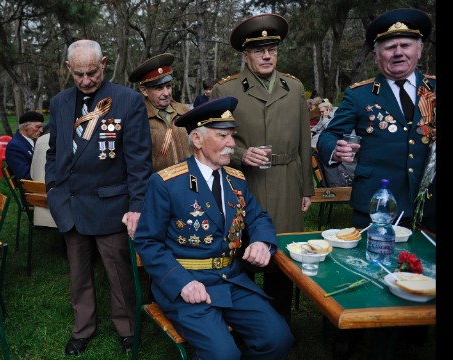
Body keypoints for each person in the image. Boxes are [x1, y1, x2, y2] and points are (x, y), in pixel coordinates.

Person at [133, 96, 294, 360]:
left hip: (231, 279)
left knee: (279, 338)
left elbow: (258, 217)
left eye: (232, 135)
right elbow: (148, 242)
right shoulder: (166, 183)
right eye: (222, 136)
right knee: (224, 354)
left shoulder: (236, 180)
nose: (232, 144)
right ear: (197, 140)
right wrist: (181, 282)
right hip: (188, 284)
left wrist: (262, 242)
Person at [45, 39, 153, 356]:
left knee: (118, 273)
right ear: (68, 69)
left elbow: (138, 163)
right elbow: (54, 152)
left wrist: (136, 208)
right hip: (71, 204)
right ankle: (82, 328)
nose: (86, 80)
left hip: (111, 204)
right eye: (78, 74)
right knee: (78, 274)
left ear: (104, 63)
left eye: (92, 72)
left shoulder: (128, 101)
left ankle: (127, 327)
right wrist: (53, 187)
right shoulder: (60, 103)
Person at [210, 13, 314, 323]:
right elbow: (213, 140)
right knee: (243, 255)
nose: (267, 55)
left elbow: (304, 141)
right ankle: (244, 324)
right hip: (244, 184)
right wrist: (241, 154)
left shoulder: (294, 88)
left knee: (282, 256)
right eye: (258, 50)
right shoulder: (227, 91)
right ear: (246, 54)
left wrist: (306, 187)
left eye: (272, 48)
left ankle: (280, 322)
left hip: (286, 182)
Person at [317, 8, 436, 232]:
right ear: (376, 56)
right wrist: (336, 149)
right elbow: (329, 135)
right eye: (390, 48)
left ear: (419, 50)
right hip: (377, 204)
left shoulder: (434, 89)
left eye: (406, 45)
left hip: (431, 205)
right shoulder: (360, 95)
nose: (398, 53)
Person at [129, 53, 191, 172]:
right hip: (158, 185)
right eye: (159, 88)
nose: (166, 93)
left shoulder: (184, 112)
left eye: (168, 86)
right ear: (144, 91)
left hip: (188, 182)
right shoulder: (138, 118)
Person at [30, 124, 57, 228]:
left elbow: (32, 174)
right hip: (61, 210)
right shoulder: (70, 138)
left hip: (40, 204)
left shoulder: (40, 140)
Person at [5, 111, 45, 180]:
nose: (41, 130)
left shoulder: (31, 141)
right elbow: (25, 176)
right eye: (38, 127)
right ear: (26, 126)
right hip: (36, 187)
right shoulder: (14, 147)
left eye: (41, 127)